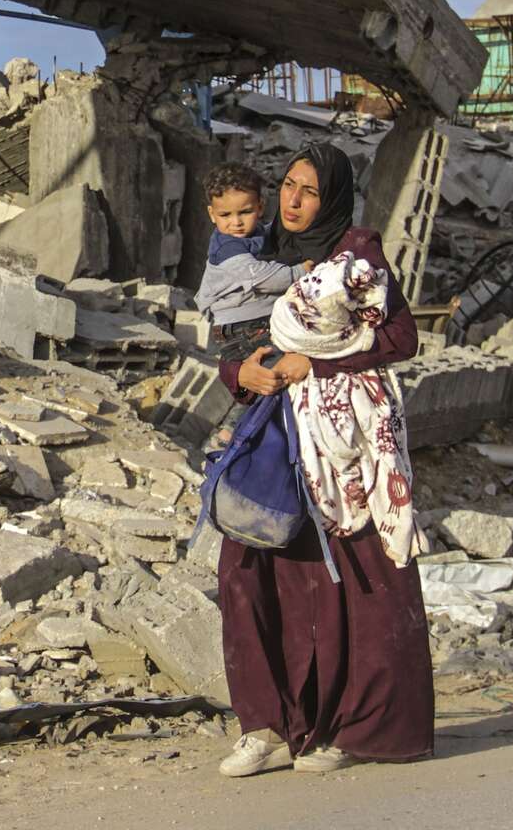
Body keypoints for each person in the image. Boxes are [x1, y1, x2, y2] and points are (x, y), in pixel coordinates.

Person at [213, 142, 432, 779]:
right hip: (272, 437)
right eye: (288, 185)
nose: (294, 200)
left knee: (355, 581)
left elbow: (401, 337)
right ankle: (264, 725)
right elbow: (232, 340)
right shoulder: (259, 256)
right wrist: (240, 374)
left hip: (342, 443)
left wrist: (317, 362)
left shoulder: (354, 258)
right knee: (247, 569)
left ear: (332, 198)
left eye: (309, 191)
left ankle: (357, 730)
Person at [195, 162, 312, 368]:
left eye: (245, 212)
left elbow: (267, 234)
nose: (236, 223)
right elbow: (262, 278)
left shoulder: (253, 232)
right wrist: (300, 271)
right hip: (241, 327)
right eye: (225, 215)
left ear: (260, 207)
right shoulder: (227, 248)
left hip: (252, 320)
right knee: (279, 366)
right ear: (212, 214)